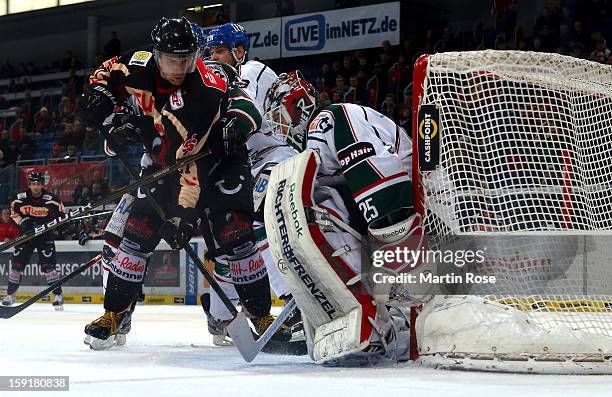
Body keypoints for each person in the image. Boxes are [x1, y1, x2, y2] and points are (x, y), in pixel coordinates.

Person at [76, 17, 288, 350]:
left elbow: (247, 105)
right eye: (173, 59)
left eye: (187, 59)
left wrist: (235, 124)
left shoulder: (211, 81)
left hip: (218, 164)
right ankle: (114, 314)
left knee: (236, 235)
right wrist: (99, 96)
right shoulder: (138, 67)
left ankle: (261, 317)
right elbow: (107, 73)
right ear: (157, 54)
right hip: (168, 165)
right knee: (138, 232)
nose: (179, 67)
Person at [263, 71, 417, 364]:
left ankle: (385, 318)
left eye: (279, 114)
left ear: (298, 106)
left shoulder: (328, 119)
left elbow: (372, 165)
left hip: (413, 200)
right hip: (408, 199)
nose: (277, 125)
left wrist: (393, 232)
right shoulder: (310, 142)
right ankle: (375, 314)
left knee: (322, 201)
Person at [205, 23, 301, 341]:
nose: (213, 56)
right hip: (246, 162)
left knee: (255, 224)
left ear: (239, 51)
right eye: (211, 51)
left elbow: (248, 117)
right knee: (227, 241)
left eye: (220, 50)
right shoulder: (211, 82)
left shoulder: (252, 70)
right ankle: (221, 317)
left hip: (276, 154)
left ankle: (293, 300)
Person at [2, 172, 65, 310]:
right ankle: (10, 295)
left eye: (38, 184)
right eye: (33, 184)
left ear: (43, 184)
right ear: (29, 185)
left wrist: (56, 226)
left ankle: (58, 296)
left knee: (49, 267)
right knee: (16, 266)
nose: (36, 187)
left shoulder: (52, 199)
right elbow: (12, 212)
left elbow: (62, 216)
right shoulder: (19, 198)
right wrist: (22, 222)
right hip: (26, 236)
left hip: (45, 236)